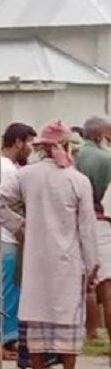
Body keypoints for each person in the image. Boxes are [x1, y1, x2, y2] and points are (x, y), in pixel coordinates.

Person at [0, 120, 99, 369]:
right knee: (68, 320)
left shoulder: (27, 175)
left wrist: (19, 226)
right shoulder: (77, 180)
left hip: (35, 258)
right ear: (66, 146)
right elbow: (87, 228)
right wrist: (92, 264)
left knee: (36, 319)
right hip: (67, 260)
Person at [0, 123, 36, 363]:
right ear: (19, 142)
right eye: (30, 143)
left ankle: (0, 340)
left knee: (3, 291)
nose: (31, 149)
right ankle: (1, 341)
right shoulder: (8, 170)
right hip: (6, 237)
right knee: (8, 292)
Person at [75, 117, 111, 353]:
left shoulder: (75, 157)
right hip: (101, 222)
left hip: (76, 223)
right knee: (107, 286)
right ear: (100, 135)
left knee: (82, 284)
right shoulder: (106, 159)